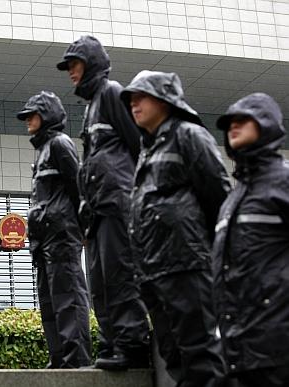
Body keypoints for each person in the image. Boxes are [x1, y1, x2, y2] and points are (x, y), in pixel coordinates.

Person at [120, 70, 229, 386]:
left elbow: (218, 196)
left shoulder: (189, 135)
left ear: (164, 100)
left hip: (188, 266)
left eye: (141, 97)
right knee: (174, 356)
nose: (134, 104)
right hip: (154, 272)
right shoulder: (147, 149)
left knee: (202, 355)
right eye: (130, 99)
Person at [56, 35, 149, 369]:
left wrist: (137, 194)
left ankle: (132, 345)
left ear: (92, 63)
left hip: (117, 203)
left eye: (75, 64)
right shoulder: (90, 105)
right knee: (100, 280)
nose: (71, 72)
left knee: (120, 273)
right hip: (97, 209)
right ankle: (112, 344)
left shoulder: (111, 93)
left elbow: (138, 144)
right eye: (68, 66)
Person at [213, 93, 289, 387]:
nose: (233, 126)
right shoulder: (234, 197)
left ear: (267, 124)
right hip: (237, 350)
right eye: (230, 121)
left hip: (278, 346)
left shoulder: (282, 182)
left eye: (243, 119)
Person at [16, 91, 91, 368]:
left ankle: (76, 358)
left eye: (32, 115)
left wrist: (83, 228)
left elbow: (78, 186)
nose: (27, 121)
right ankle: (59, 356)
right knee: (49, 301)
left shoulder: (60, 144)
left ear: (46, 116)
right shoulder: (42, 150)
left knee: (68, 297)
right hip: (43, 238)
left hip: (62, 235)